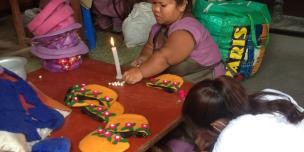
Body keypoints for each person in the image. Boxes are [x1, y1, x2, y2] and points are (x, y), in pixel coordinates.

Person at [181, 76, 304, 152]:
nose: (199, 138)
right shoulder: (270, 94)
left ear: (217, 125)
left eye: (199, 133)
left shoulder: (231, 138)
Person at [123, 0, 224, 84]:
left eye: (163, 5)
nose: (156, 9)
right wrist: (143, 58)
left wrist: (141, 72)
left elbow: (165, 58)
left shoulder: (187, 30)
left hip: (205, 84)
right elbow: (149, 47)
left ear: (182, 5)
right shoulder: (158, 28)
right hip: (177, 79)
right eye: (154, 3)